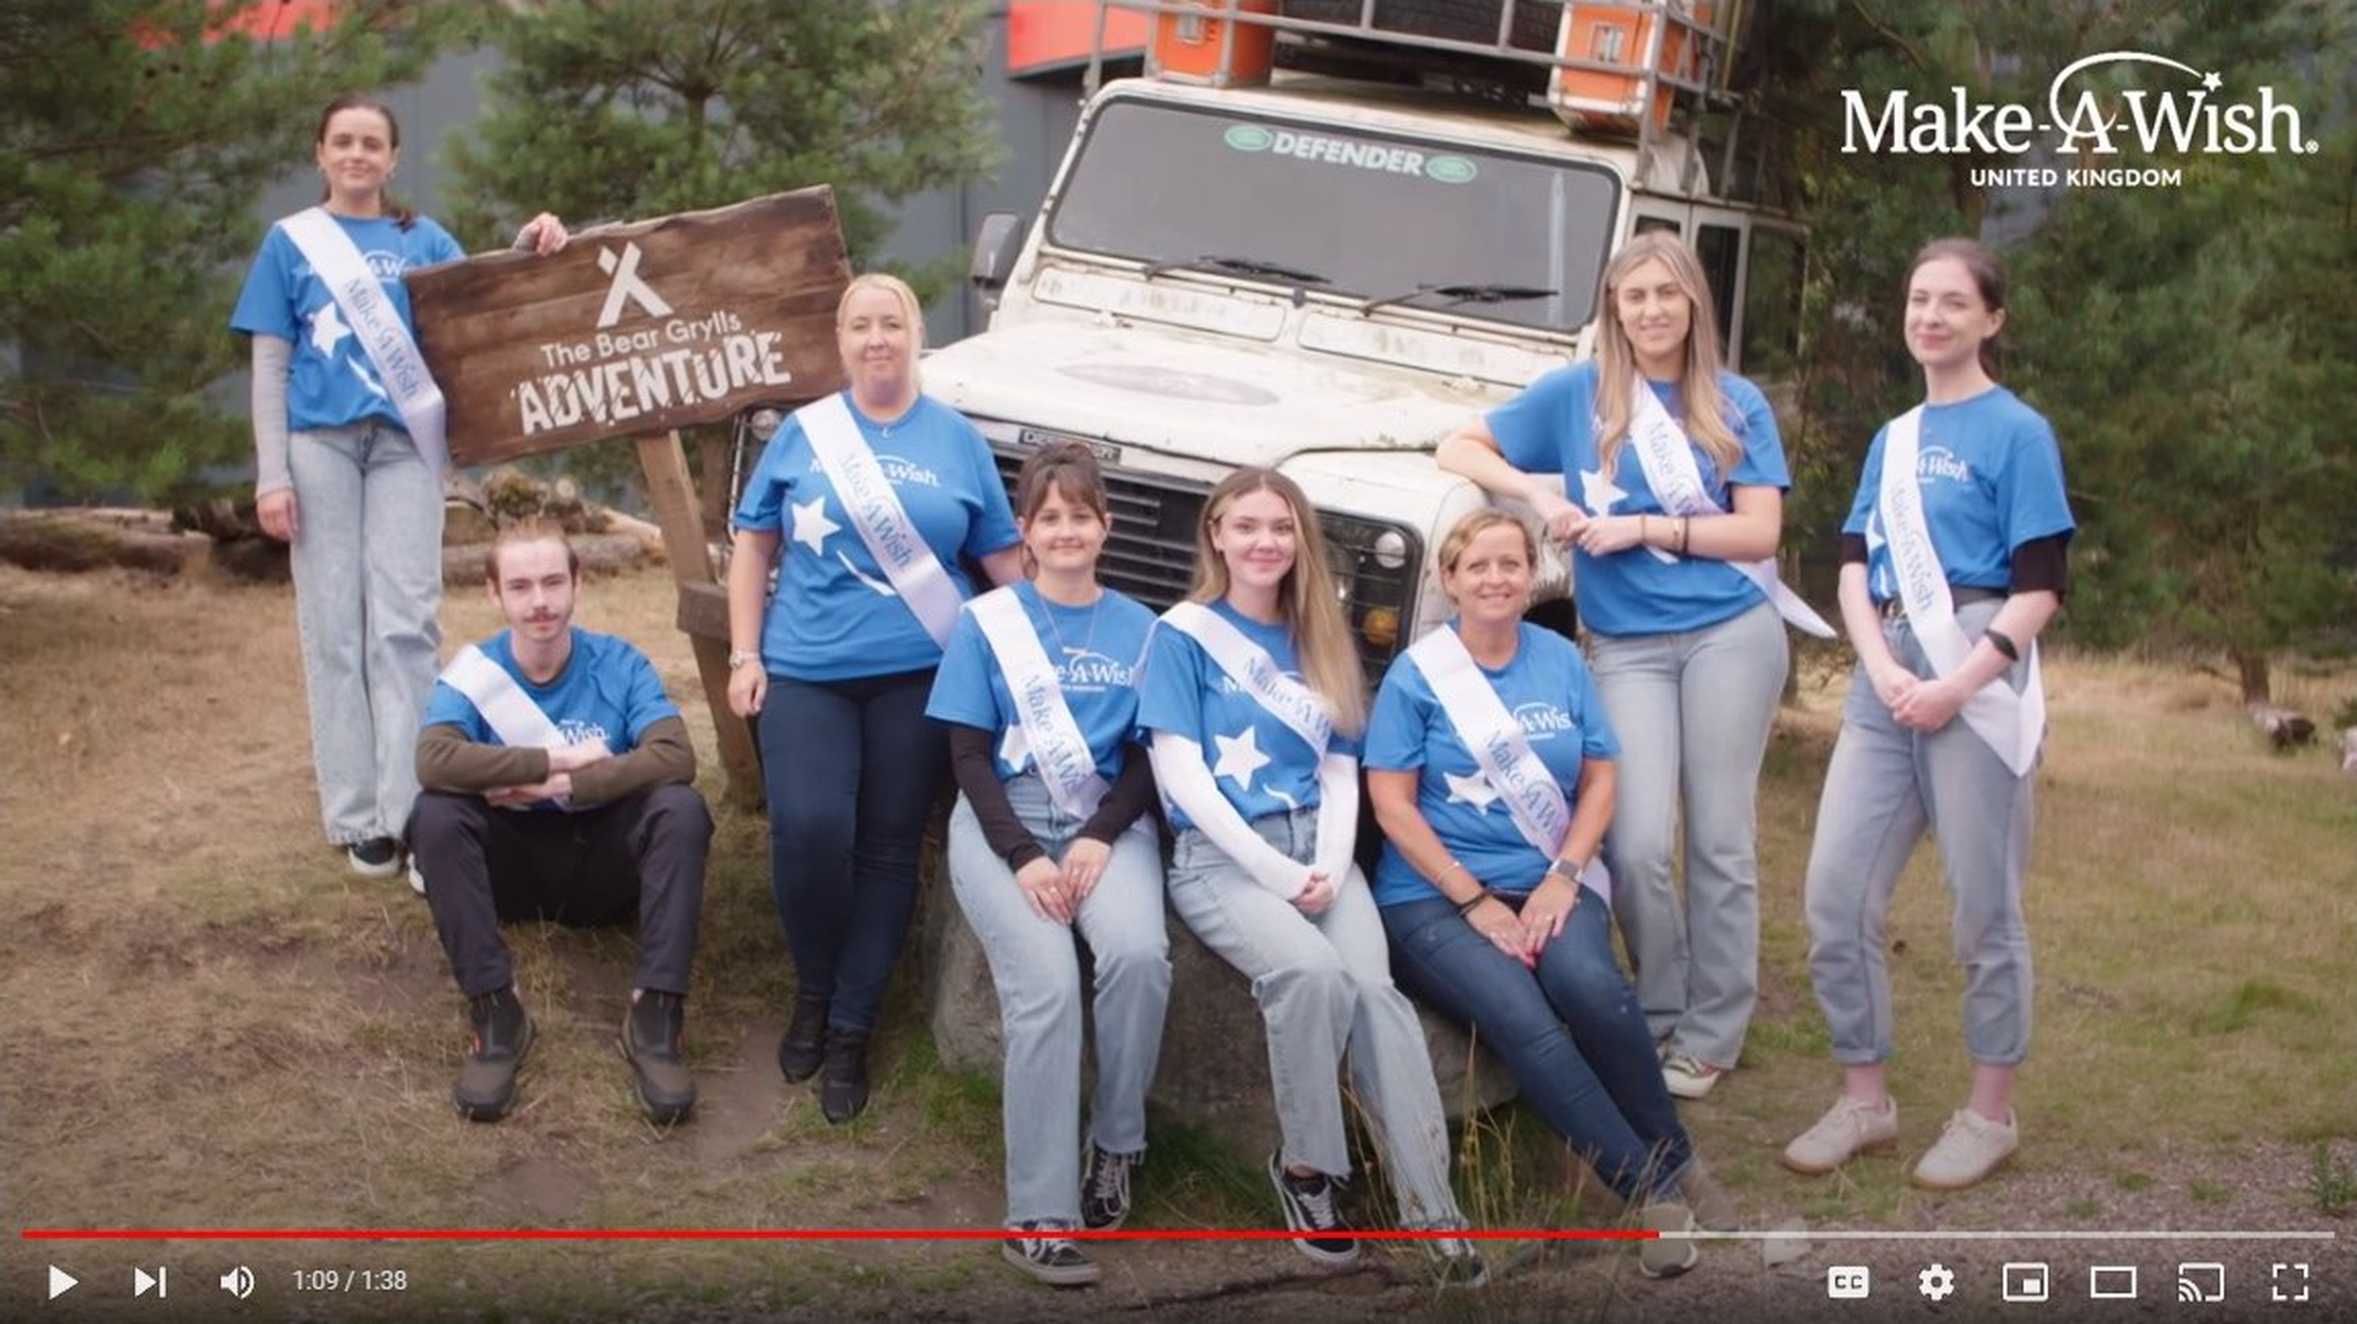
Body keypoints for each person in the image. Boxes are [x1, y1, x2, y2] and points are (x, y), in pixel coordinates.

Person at [1435, 231, 1825, 1101]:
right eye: (1634, 295)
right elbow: (1456, 447)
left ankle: (1715, 1028)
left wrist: (1647, 528)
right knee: (1637, 838)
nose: (1651, 310)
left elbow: (1759, 532)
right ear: (1613, 308)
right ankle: (1657, 1009)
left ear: (1693, 305)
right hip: (1625, 647)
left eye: (1667, 294)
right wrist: (1538, 494)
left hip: (1728, 632)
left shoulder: (1733, 402)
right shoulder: (1576, 395)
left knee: (1719, 838)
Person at [1136, 466, 1485, 1287]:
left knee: (1376, 994)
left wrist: (1327, 863)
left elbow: (1336, 768)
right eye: (1247, 525)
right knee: (1309, 975)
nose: (1265, 542)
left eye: (1281, 528)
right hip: (1225, 857)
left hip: (1318, 853)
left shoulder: (1317, 636)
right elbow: (1181, 778)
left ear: (1300, 542)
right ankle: (1307, 1173)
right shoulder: (1181, 636)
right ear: (1216, 534)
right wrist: (1279, 872)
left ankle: (1430, 1209)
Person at [1365, 509, 1731, 1279]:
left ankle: (1680, 1163)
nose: (1496, 579)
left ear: (1530, 575)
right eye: (1478, 566)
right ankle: (1652, 1192)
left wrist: (1563, 874)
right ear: (1449, 579)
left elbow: (1599, 774)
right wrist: (1472, 900)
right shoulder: (1416, 675)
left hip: (1547, 879)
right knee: (1523, 1020)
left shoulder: (1560, 660)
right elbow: (1391, 804)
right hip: (1432, 898)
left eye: (1510, 564)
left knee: (1592, 988)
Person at [1783, 238, 2072, 1191]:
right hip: (1886, 668)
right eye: (1917, 300)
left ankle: (1988, 1116)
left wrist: (1959, 681)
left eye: (1952, 302)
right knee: (1834, 896)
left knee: (1982, 911)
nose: (1930, 317)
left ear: (1991, 319)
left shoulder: (2018, 431)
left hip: (1976, 664)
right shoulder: (1892, 437)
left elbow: (2041, 587)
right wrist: (1874, 660)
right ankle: (1865, 1101)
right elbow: (1854, 563)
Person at [231, 93, 568, 883]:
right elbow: (271, 365)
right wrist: (270, 474)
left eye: (371, 143)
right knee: (335, 628)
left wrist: (530, 242)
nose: (356, 155)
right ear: (320, 152)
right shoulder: (289, 244)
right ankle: (357, 818)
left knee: (406, 626)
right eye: (342, 141)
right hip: (318, 446)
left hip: (403, 451)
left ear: (391, 159)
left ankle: (415, 809)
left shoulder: (421, 238)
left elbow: (477, 293)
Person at [726, 273, 1024, 1124]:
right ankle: (813, 988)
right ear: (840, 338)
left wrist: (1078, 613)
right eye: (860, 325)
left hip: (921, 675)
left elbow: (1003, 561)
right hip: (807, 668)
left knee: (889, 847)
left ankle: (852, 1026)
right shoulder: (802, 435)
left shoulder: (957, 440)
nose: (876, 338)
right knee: (810, 829)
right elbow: (752, 548)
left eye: (891, 323)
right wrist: (746, 653)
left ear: (916, 335)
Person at [926, 443, 1170, 1287]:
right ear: (1025, 531)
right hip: (1007, 824)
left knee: (1137, 957)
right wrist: (1024, 856)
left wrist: (1101, 833)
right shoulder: (986, 621)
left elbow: (1149, 759)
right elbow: (963, 755)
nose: (1066, 530)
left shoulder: (1144, 628)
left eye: (1080, 515)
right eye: (1048, 517)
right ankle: (1039, 1211)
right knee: (1048, 986)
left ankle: (1115, 1143)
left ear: (1104, 525)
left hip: (1108, 825)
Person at [408, 519, 713, 1126]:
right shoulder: (475, 672)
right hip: (511, 874)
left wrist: (568, 785)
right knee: (433, 814)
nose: (540, 602)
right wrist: (555, 759)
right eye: (520, 587)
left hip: (603, 867)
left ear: (578, 582)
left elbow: (676, 756)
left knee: (681, 809)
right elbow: (433, 759)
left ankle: (655, 1016)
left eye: (553, 582)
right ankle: (497, 1012)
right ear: (494, 595)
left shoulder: (621, 663)